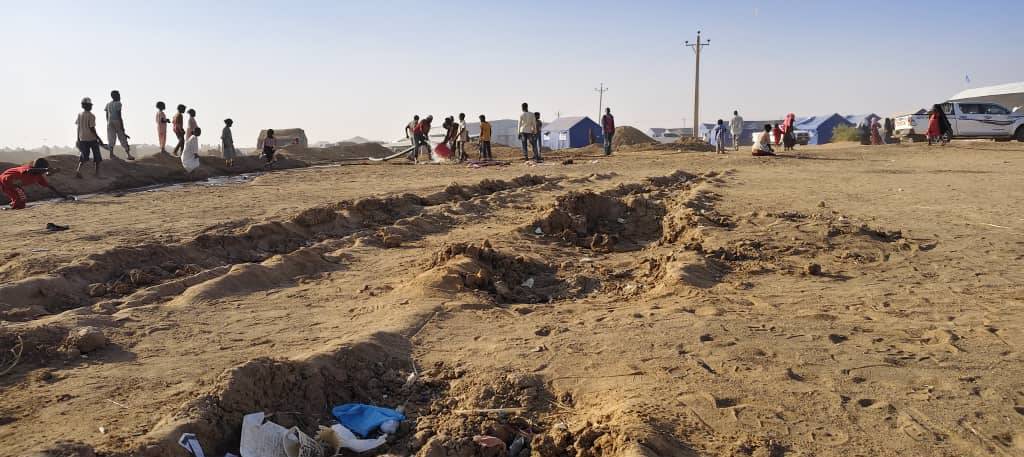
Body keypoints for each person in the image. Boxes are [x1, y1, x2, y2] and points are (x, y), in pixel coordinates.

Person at [1, 159, 72, 210]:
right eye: (42, 169)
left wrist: (64, 196)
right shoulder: (28, 169)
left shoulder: (39, 177)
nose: (43, 172)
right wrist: (46, 169)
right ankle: (14, 206)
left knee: (21, 200)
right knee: (21, 198)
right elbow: (28, 171)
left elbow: (50, 187)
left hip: (11, 184)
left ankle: (8, 207)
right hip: (7, 179)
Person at [75, 97, 107, 178]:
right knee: (97, 156)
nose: (91, 107)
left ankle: (78, 170)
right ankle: (97, 174)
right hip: (92, 139)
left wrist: (78, 139)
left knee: (84, 156)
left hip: (82, 139)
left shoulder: (79, 115)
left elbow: (78, 127)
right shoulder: (91, 115)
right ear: (86, 106)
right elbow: (92, 128)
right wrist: (99, 139)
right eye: (89, 105)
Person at [103, 90, 134, 160]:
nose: (119, 96)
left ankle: (111, 155)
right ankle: (128, 155)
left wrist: (108, 122)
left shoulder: (108, 104)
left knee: (111, 139)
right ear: (116, 96)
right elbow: (119, 115)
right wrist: (122, 128)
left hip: (109, 122)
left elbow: (107, 115)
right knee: (122, 138)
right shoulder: (118, 103)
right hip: (117, 121)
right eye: (118, 95)